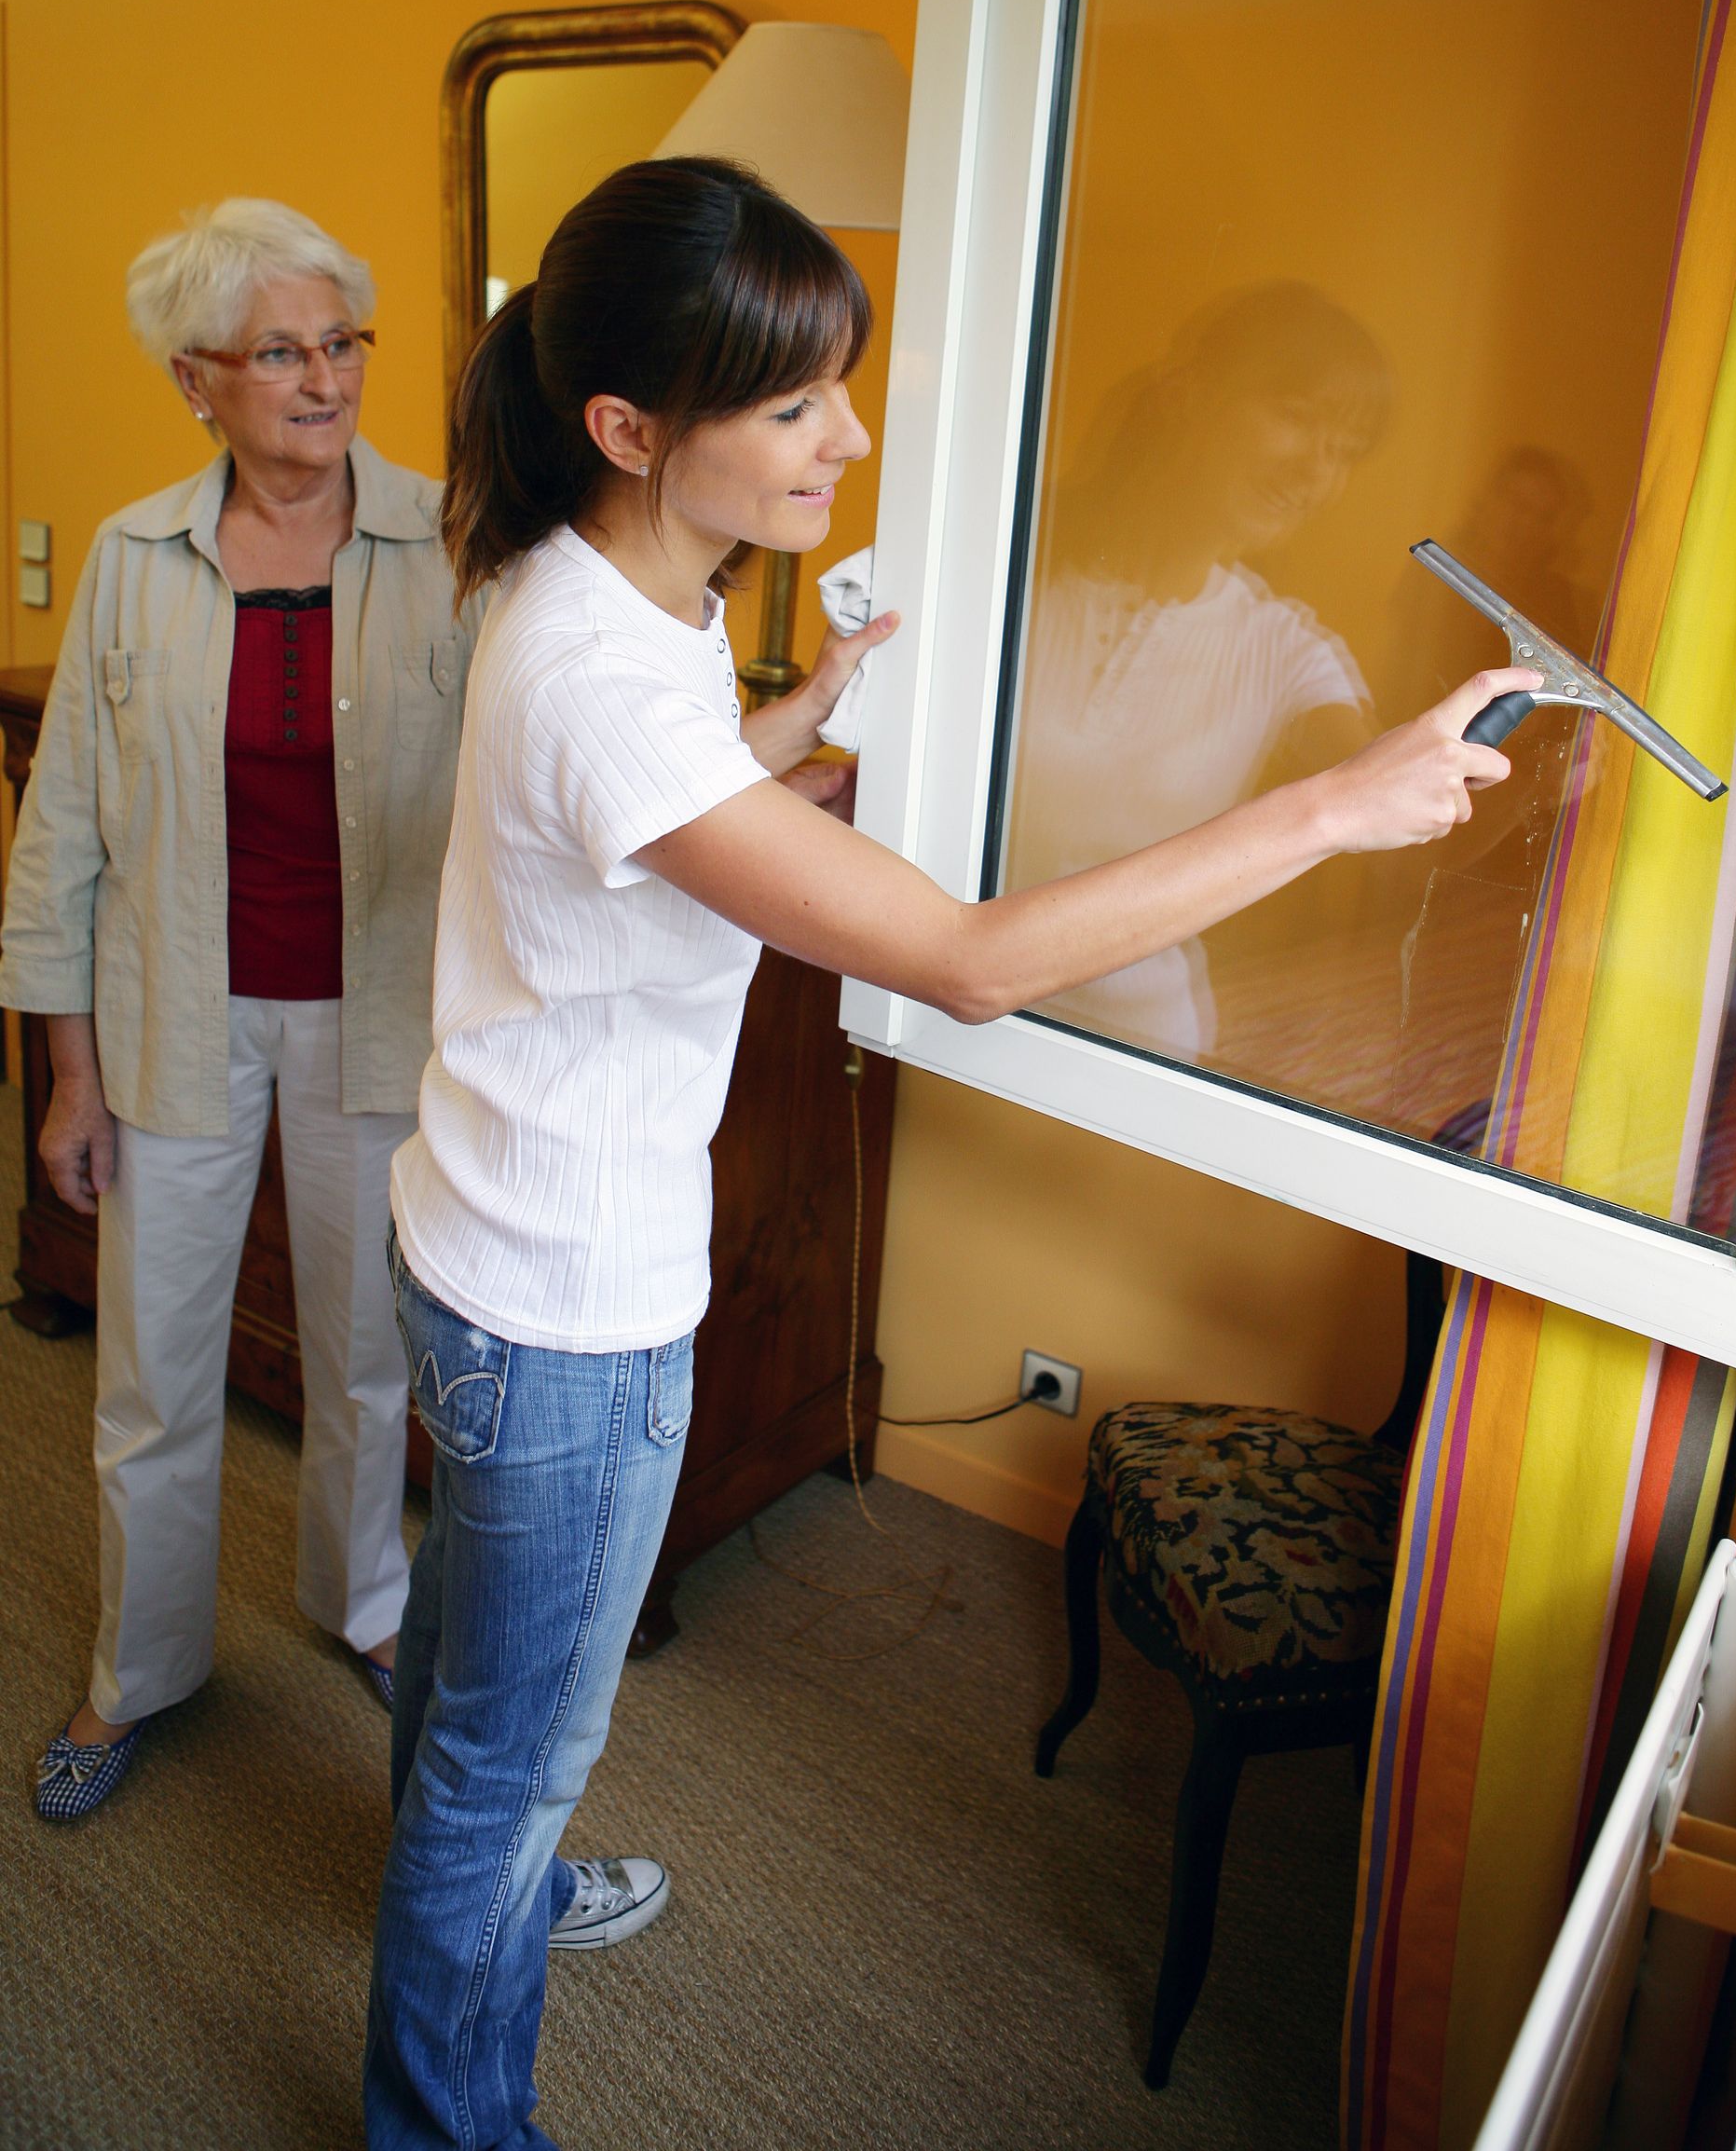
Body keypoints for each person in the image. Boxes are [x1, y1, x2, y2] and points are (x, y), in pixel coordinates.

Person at [363, 155, 1532, 2150]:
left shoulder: (595, 594)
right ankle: (444, 2113)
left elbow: (644, 805)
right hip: (562, 1309)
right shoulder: (600, 672)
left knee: (474, 1691)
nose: (856, 433)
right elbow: (978, 966)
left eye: (847, 382)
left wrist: (792, 725)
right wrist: (1337, 808)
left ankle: (483, 1905)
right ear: (633, 429)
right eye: (799, 403)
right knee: (511, 1750)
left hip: (484, 1235)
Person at [6, 200, 473, 1820]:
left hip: (378, 1026)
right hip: (172, 1027)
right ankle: (138, 1672)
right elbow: (60, 834)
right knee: (153, 1373)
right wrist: (68, 1084)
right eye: (284, 350)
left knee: (360, 1359)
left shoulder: (453, 543)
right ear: (199, 380)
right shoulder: (136, 562)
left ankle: (362, 1608)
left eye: (344, 341)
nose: (326, 376)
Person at [1006, 283, 1392, 1062]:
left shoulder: (1286, 650)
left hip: (1143, 1061)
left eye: (1345, 451)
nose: (1316, 472)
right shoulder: (1009, 569)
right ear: (1191, 395)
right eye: (1299, 419)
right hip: (938, 1023)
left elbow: (1390, 799)